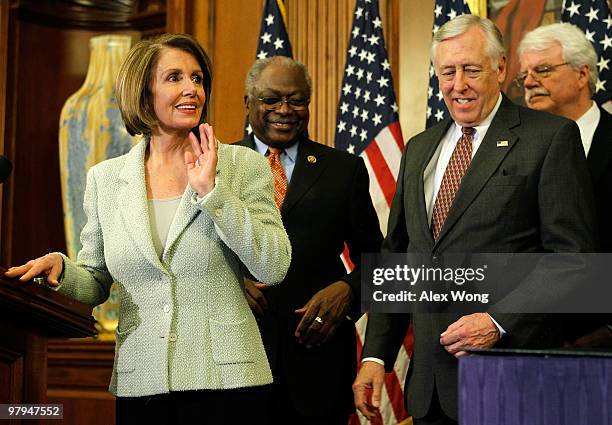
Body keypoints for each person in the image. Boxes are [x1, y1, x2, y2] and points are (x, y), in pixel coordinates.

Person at [5, 33, 291, 425]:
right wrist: (61, 270)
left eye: (197, 78)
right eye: (174, 77)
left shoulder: (242, 166)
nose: (191, 88)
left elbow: (272, 265)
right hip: (142, 383)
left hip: (227, 381)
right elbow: (96, 280)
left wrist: (213, 193)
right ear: (143, 93)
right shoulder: (105, 180)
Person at [352, 15, 597, 425]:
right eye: (447, 72)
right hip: (429, 389)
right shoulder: (419, 149)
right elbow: (398, 259)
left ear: (500, 69)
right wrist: (376, 355)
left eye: (471, 69)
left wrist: (498, 320)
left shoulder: (550, 138)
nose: (458, 84)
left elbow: (573, 259)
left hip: (511, 379)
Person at [234, 56, 383, 424]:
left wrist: (349, 290)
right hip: (235, 362)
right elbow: (190, 259)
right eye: (271, 100)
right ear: (248, 102)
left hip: (319, 364)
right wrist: (229, 283)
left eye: (297, 100)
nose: (285, 110)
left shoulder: (343, 170)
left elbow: (379, 262)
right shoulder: (216, 165)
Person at [518, 23, 612, 348]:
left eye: (542, 70)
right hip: (521, 341)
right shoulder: (513, 148)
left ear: (582, 74)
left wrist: (607, 332)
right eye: (525, 75)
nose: (529, 82)